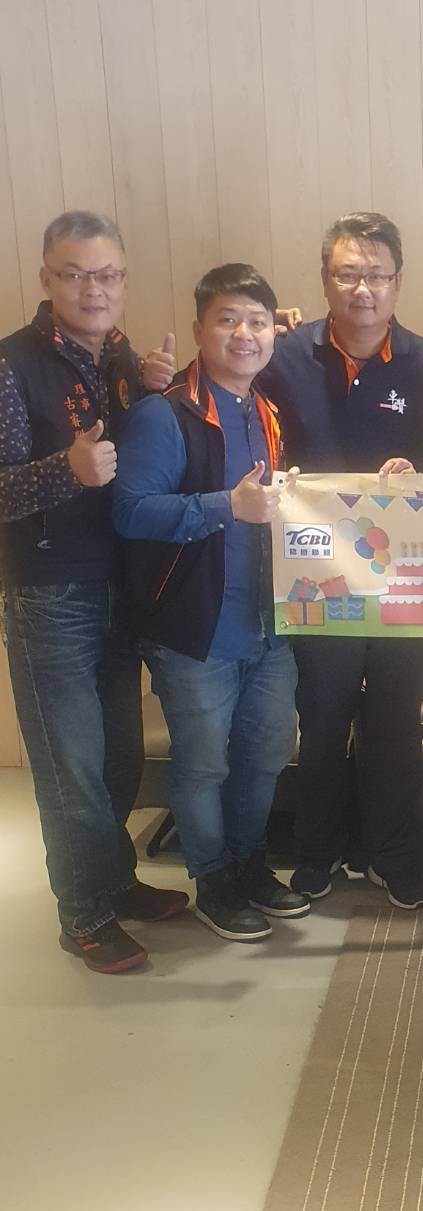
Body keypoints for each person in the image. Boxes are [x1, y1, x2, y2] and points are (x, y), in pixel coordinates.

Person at [249, 212, 423, 909]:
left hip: (405, 579)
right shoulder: (282, 357)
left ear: (398, 282)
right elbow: (245, 427)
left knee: (395, 722)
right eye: (348, 274)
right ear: (325, 279)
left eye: (376, 275)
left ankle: (390, 855)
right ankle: (317, 853)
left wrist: (419, 474)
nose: (362, 289)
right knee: (323, 717)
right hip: (315, 578)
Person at [0, 210, 186, 973]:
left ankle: (113, 880)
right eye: (74, 274)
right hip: (49, 595)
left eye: (106, 275)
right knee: (70, 766)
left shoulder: (118, 356)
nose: (92, 289)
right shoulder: (12, 365)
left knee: (118, 758)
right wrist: (62, 471)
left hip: (118, 587)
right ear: (47, 278)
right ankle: (81, 916)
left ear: (123, 282)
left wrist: (152, 391)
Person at [113, 264, 306, 942]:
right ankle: (214, 881)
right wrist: (227, 506)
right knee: (203, 765)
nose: (244, 334)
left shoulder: (266, 411)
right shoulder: (164, 413)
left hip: (269, 628)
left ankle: (250, 865)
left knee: (266, 754)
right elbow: (129, 511)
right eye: (228, 320)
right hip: (195, 632)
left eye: (258, 321)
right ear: (200, 329)